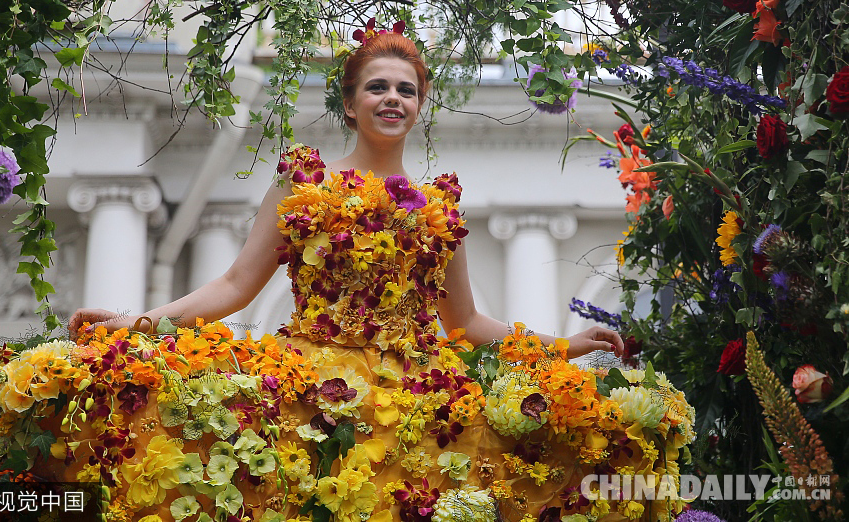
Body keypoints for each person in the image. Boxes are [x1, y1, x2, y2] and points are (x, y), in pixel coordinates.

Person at [58, 26, 685, 522]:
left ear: (420, 106)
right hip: (309, 397)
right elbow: (233, 287)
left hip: (413, 404)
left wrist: (561, 349)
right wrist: (135, 323)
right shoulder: (303, 185)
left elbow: (464, 322)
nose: (393, 99)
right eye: (378, 87)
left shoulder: (439, 209)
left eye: (406, 90)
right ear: (350, 103)